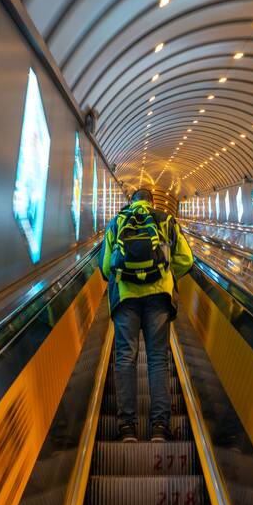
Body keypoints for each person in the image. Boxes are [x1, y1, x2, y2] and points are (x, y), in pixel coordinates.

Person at [100, 188, 194, 443]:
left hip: (126, 298)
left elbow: (106, 266)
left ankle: (127, 427)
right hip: (158, 299)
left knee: (125, 359)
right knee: (157, 359)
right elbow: (186, 259)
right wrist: (164, 273)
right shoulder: (165, 220)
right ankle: (160, 428)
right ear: (152, 202)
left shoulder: (117, 221)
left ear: (131, 202)